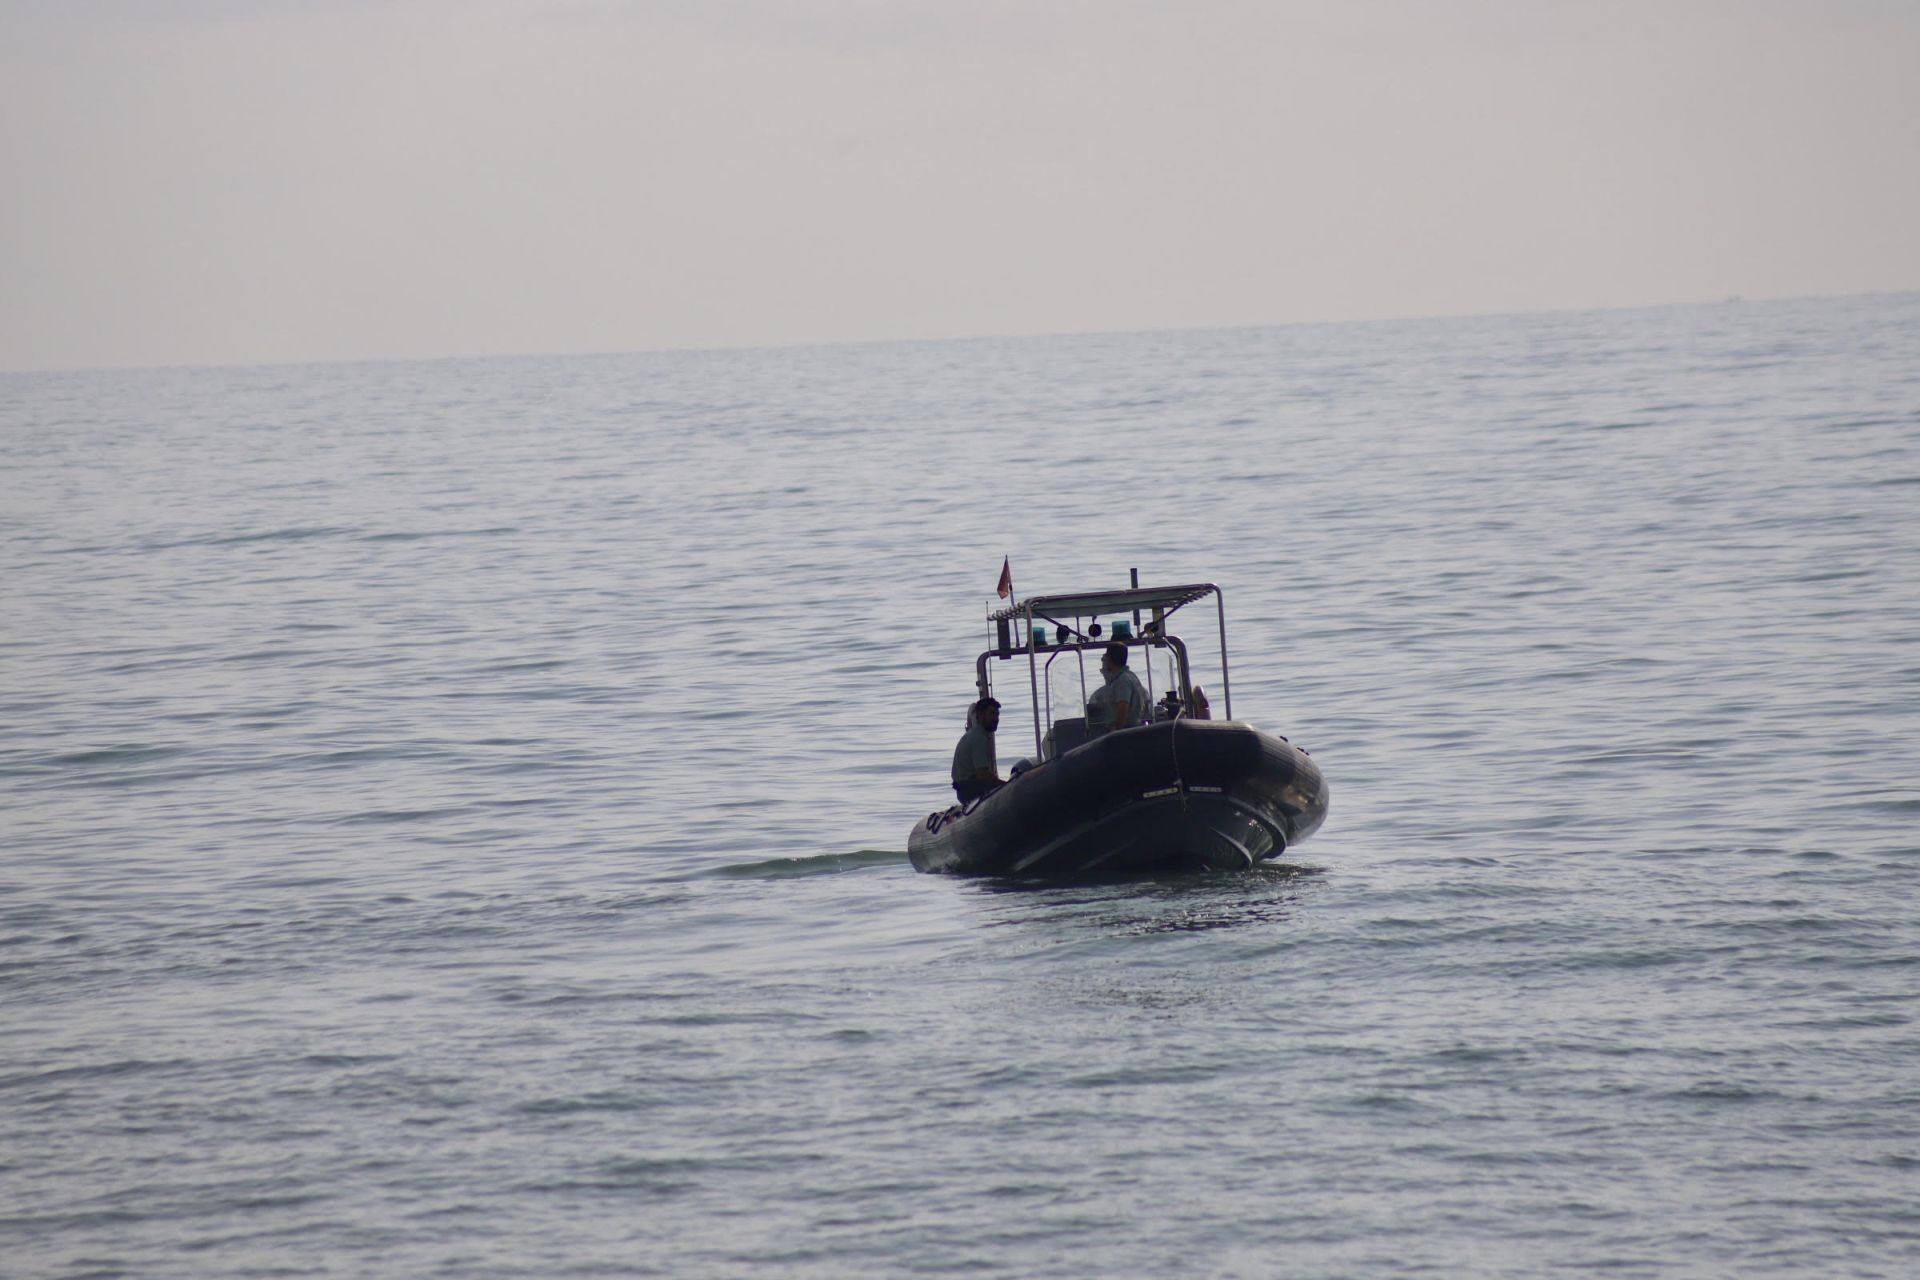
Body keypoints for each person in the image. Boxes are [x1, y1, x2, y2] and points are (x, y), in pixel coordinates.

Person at [1087, 642, 1149, 735]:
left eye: (1106, 656)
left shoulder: (1122, 681)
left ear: (1111, 660)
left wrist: (1116, 731)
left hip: (1125, 732)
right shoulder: (1130, 676)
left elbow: (1123, 707)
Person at [951, 697, 1002, 805]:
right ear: (980, 715)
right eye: (992, 713)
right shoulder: (979, 738)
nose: (996, 718)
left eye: (997, 714)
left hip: (963, 790)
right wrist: (1006, 785)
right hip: (970, 789)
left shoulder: (973, 734)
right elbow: (982, 774)